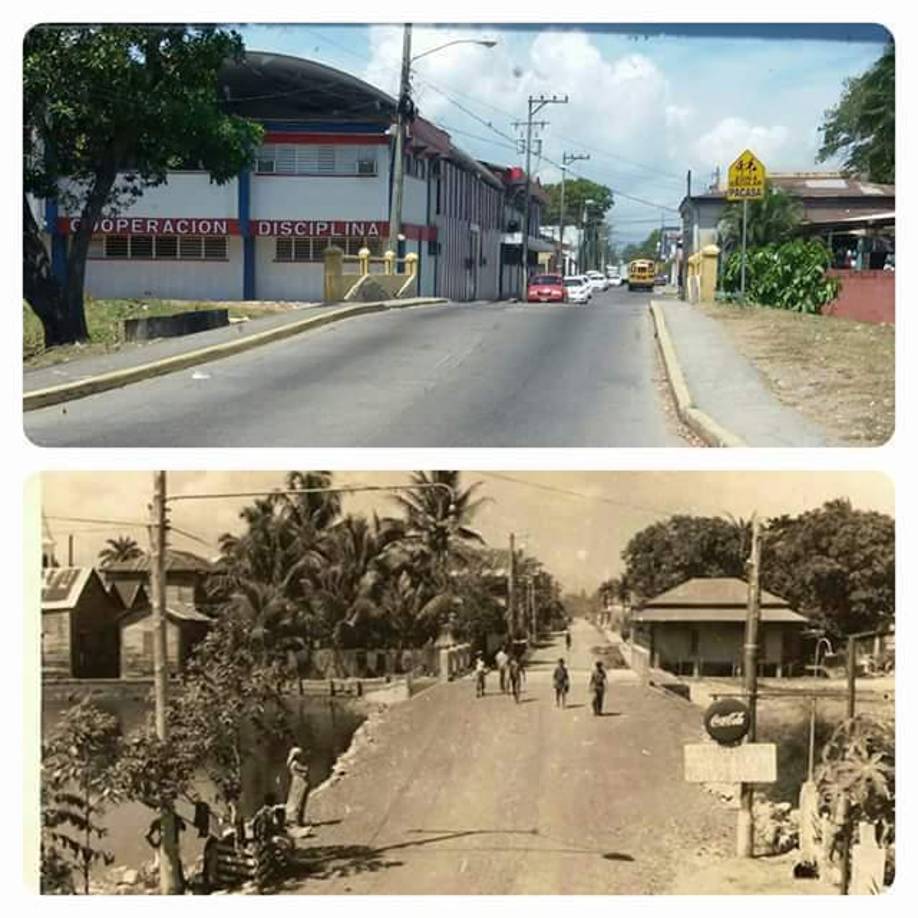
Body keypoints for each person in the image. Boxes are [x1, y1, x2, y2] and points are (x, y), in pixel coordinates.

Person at [284, 746, 312, 830]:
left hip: (298, 782)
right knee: (299, 801)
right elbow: (305, 770)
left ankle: (298, 820)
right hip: (300, 783)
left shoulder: (293, 763)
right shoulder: (295, 764)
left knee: (299, 801)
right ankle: (297, 820)